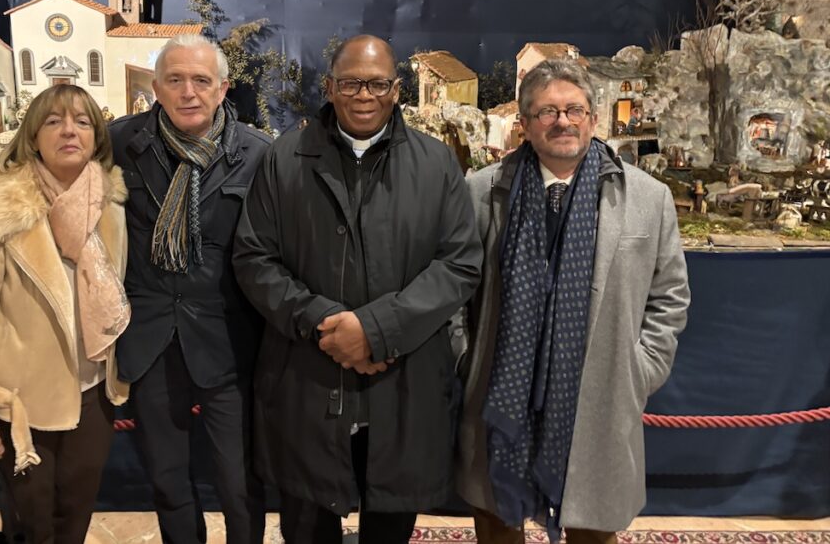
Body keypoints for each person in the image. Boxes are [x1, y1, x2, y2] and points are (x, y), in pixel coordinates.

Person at [233, 34, 483, 544]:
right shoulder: (285, 159)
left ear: (397, 89)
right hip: (307, 378)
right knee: (307, 528)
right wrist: (323, 323)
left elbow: (458, 263)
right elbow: (254, 258)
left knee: (389, 528)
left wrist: (375, 330)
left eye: (377, 84)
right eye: (350, 83)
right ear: (329, 88)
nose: (364, 95)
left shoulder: (436, 164)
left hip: (401, 384)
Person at [456, 59, 691, 544]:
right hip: (504, 393)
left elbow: (669, 296)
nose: (562, 121)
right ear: (524, 124)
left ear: (593, 118)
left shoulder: (648, 198)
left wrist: (639, 371)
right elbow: (454, 289)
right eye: (547, 112)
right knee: (498, 523)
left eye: (574, 110)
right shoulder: (481, 192)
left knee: (592, 529)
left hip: (598, 396)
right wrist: (465, 360)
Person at [0, 84, 130, 544]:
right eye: (53, 121)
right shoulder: (0, 210)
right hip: (23, 408)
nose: (69, 131)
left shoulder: (110, 205)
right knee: (31, 528)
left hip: (94, 395)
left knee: (75, 520)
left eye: (82, 121)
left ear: (96, 137)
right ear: (32, 137)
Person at [109, 34, 270, 544]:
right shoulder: (117, 143)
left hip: (229, 342)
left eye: (201, 80)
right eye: (174, 79)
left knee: (240, 482)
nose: (188, 92)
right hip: (150, 338)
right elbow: (44, 165)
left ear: (223, 89)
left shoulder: (259, 155)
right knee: (168, 480)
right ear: (155, 87)